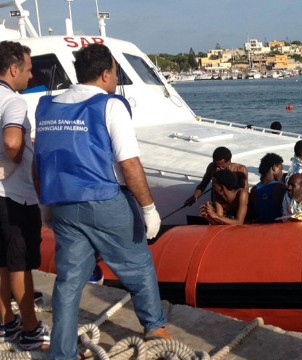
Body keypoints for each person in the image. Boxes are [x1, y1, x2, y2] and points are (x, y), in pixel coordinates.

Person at [33, 44, 169, 359]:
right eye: (115, 73)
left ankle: (61, 353)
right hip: (105, 199)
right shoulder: (110, 106)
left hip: (64, 204)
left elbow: (38, 162)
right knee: (138, 263)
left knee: (68, 282)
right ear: (106, 73)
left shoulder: (47, 106)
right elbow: (129, 164)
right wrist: (148, 209)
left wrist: (46, 206)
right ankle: (154, 326)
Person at [0, 41, 50, 350]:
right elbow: (12, 142)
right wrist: (11, 162)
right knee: (20, 264)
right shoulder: (14, 102)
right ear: (14, 69)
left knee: (1, 263)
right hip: (14, 197)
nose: (31, 77)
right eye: (29, 70)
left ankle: (6, 322)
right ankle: (31, 329)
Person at [183, 146, 248, 207]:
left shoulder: (240, 170)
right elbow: (203, 185)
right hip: (217, 204)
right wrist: (195, 196)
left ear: (229, 162)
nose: (217, 169)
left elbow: (245, 192)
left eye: (221, 166)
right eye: (215, 165)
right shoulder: (211, 167)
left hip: (234, 206)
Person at [249, 153, 287, 223]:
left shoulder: (254, 190)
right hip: (278, 228)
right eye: (281, 169)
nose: (282, 173)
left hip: (262, 229)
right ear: (274, 168)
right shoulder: (280, 187)